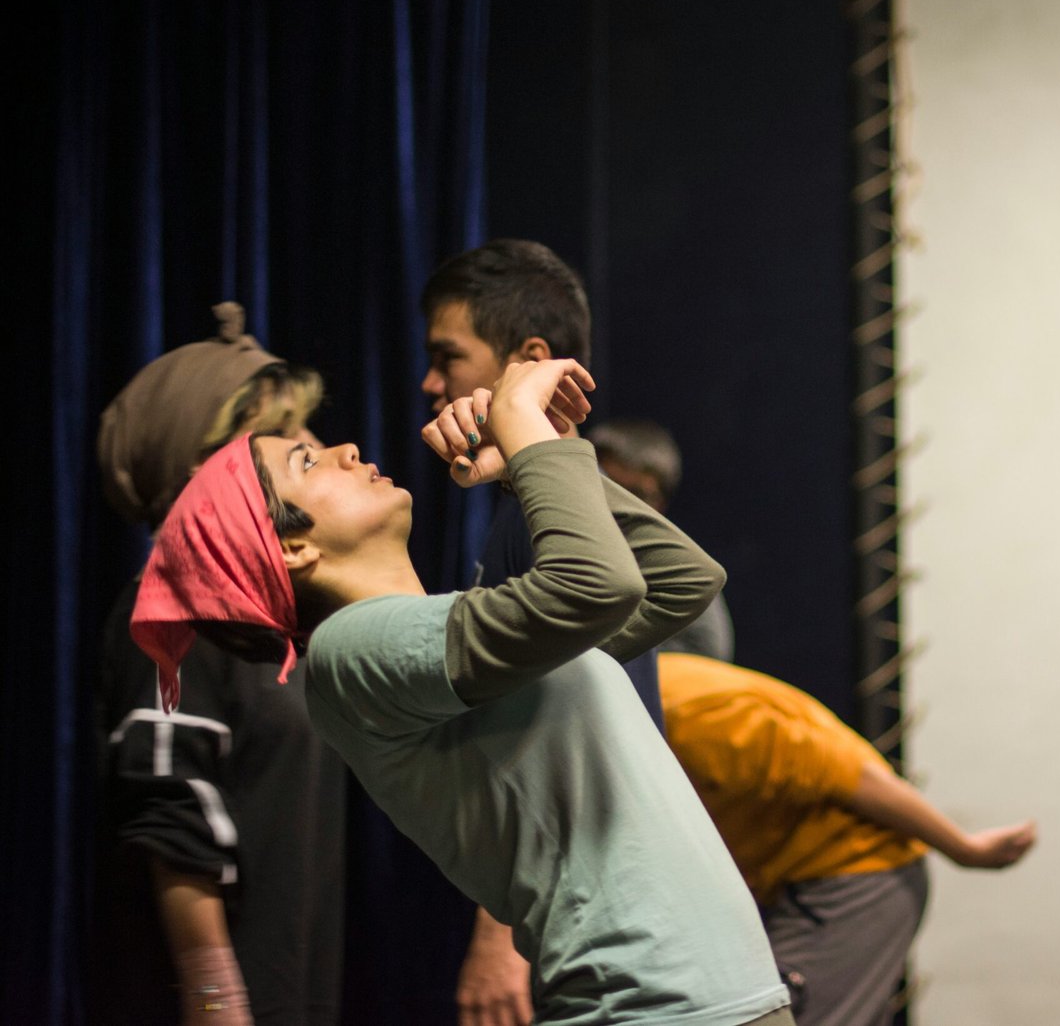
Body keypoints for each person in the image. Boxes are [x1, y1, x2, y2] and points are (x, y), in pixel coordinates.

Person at [132, 358, 793, 1026]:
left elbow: (681, 579)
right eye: (307, 461)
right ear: (293, 548)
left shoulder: (454, 640)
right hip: (652, 1007)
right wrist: (521, 426)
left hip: (718, 998)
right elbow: (600, 586)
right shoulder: (348, 651)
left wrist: (536, 455)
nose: (345, 449)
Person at [420, 240, 672, 1022]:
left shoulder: (547, 520)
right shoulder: (531, 507)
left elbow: (548, 736)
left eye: (448, 356)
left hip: (586, 913)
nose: (432, 383)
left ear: (528, 358)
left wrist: (498, 942)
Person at [92, 302, 345, 1026]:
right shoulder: (170, 604)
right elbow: (172, 820)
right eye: (283, 437)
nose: (316, 446)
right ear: (208, 469)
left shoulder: (265, 617)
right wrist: (218, 1007)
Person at [658, 651, 1037, 1026]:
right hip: (788, 881)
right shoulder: (652, 697)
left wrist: (964, 849)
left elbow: (856, 777)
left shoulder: (697, 715)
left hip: (855, 878)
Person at [589, 418, 735, 662]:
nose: (620, 502)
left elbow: (708, 655)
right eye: (611, 488)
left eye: (637, 494)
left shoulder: (669, 561)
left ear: (660, 504)